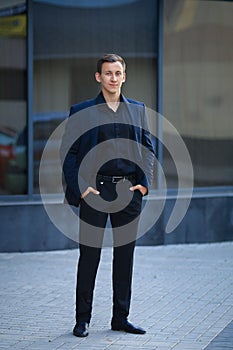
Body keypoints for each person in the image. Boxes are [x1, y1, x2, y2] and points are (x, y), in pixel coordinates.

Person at [61, 54, 155, 337]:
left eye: (118, 73)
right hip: (96, 192)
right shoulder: (82, 111)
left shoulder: (138, 110)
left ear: (124, 76)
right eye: (108, 73)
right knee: (89, 257)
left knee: (125, 258)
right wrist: (81, 189)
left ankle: (120, 318)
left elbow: (148, 150)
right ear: (98, 77)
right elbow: (69, 154)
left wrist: (144, 184)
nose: (113, 78)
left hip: (128, 192)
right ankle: (82, 319)